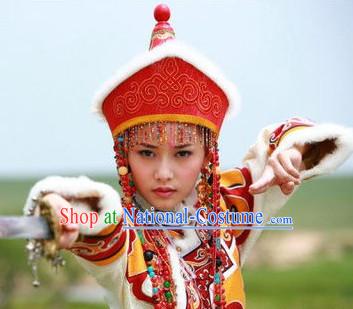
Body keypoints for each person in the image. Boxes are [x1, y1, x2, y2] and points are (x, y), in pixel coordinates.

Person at [24, 4, 353, 309]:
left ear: (207, 154)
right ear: (124, 155)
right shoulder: (127, 234)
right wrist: (63, 208)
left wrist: (291, 151)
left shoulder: (228, 209)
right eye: (147, 153)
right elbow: (101, 217)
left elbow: (301, 145)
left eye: (183, 152)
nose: (164, 172)